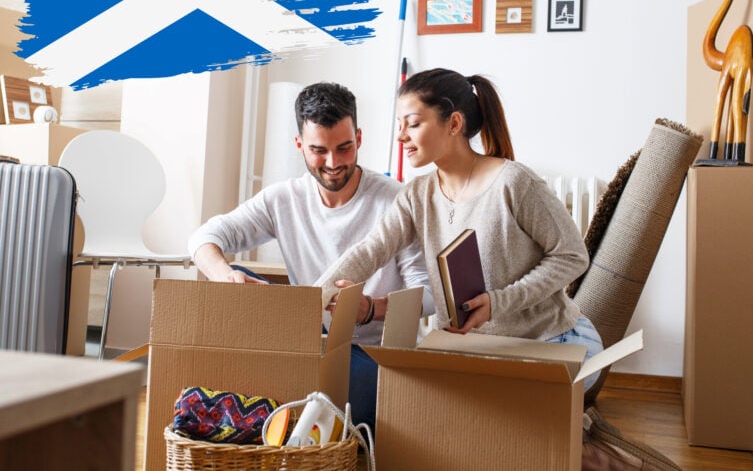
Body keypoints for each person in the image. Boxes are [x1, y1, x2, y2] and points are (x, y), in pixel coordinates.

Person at [316, 68, 604, 390]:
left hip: (552, 341)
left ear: (454, 123)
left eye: (412, 124)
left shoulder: (513, 182)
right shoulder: (416, 195)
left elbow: (572, 256)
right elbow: (371, 249)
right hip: (471, 348)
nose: (400, 136)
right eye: (400, 126)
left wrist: (499, 302)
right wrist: (312, 299)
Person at [188, 81, 434, 430]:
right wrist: (224, 275)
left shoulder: (396, 201)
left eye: (344, 148)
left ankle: (285, 411)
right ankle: (278, 410)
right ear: (300, 146)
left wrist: (369, 310)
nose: (333, 163)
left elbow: (428, 294)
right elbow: (204, 237)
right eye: (319, 150)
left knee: (316, 396)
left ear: (359, 139)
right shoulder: (283, 199)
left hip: (374, 354)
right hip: (309, 344)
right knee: (233, 278)